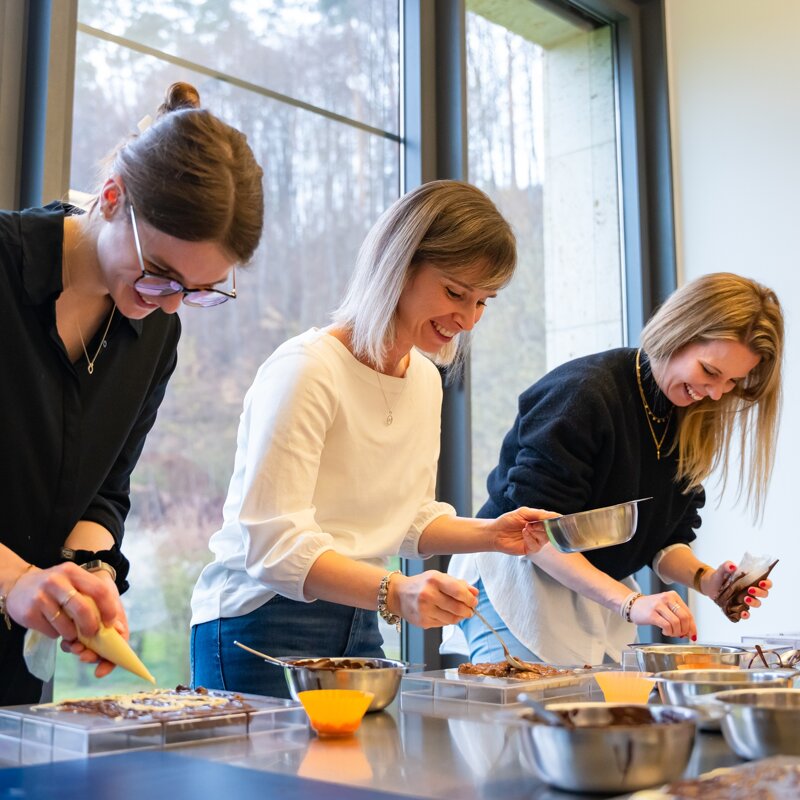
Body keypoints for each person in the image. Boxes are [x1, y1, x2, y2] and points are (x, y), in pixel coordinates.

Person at [190, 180, 553, 698]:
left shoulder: (424, 379)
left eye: (483, 302)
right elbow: (274, 548)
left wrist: (492, 534)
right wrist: (396, 591)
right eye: (456, 293)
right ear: (398, 265)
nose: (468, 319)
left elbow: (407, 519)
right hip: (260, 617)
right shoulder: (307, 370)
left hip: (359, 613)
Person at [0, 81, 264, 706]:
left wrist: (89, 575)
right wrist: (15, 579)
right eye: (161, 274)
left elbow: (105, 490)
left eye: (198, 291)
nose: (170, 305)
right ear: (113, 197)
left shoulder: (155, 333)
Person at [445, 273, 783, 666]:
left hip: (597, 597)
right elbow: (534, 534)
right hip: (518, 584)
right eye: (709, 371)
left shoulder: (691, 416)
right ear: (677, 332)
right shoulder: (583, 394)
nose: (715, 393)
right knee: (525, 705)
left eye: (732, 382)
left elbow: (665, 538)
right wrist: (631, 603)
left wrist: (707, 580)